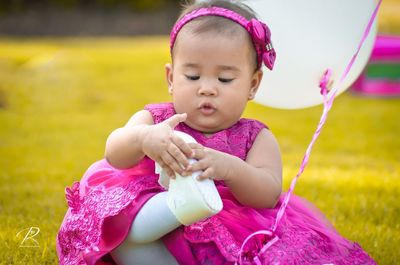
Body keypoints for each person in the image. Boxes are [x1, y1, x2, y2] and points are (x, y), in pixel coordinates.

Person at [56, 0, 377, 264]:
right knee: (123, 228)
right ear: (171, 78)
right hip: (150, 214)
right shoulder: (156, 118)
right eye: (193, 76)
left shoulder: (255, 138)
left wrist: (230, 168)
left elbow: (267, 193)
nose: (207, 89)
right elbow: (114, 151)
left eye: (224, 80)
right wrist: (143, 138)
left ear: (253, 85)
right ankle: (165, 218)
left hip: (217, 232)